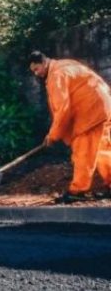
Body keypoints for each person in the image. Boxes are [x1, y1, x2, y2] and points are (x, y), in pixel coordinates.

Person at [29, 51, 111, 203]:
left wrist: (53, 135)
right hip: (103, 106)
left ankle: (78, 191)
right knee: (102, 150)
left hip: (91, 113)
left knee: (83, 152)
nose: (36, 74)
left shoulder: (56, 76)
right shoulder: (65, 64)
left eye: (36, 69)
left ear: (43, 63)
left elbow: (62, 109)